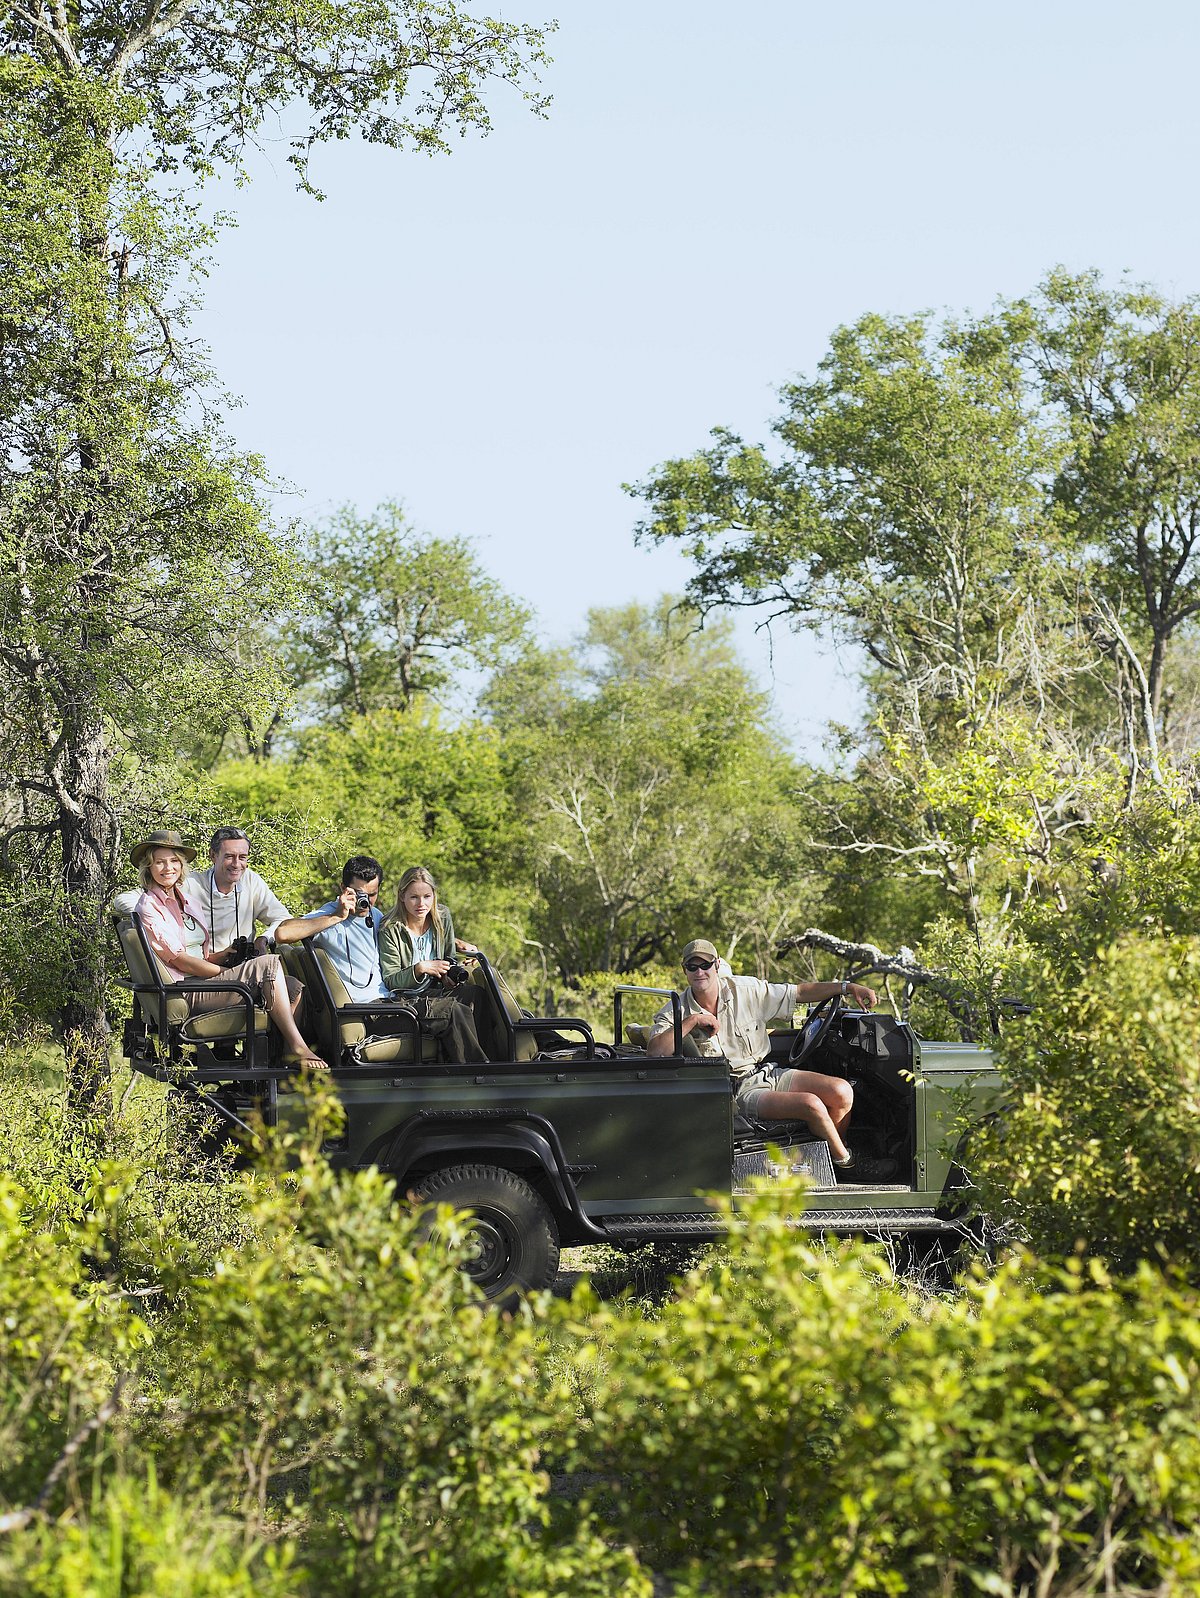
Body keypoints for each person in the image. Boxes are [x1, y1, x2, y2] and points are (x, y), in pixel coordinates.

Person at [647, 938, 892, 1180]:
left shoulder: (745, 990)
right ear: (685, 971)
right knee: (812, 1105)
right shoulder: (676, 1011)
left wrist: (848, 988)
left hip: (765, 1072)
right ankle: (849, 1165)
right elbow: (656, 1051)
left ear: (717, 965)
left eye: (705, 965)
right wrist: (691, 1022)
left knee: (842, 1091)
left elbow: (799, 992)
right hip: (733, 1091)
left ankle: (831, 1161)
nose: (700, 972)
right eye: (692, 967)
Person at [130, 831, 327, 1069]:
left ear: (181, 866)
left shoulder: (184, 899)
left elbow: (196, 953)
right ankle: (299, 1047)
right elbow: (180, 961)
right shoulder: (150, 905)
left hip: (202, 979)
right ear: (148, 866)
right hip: (185, 989)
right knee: (268, 964)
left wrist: (224, 955)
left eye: (173, 861)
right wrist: (222, 971)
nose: (168, 868)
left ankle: (282, 1063)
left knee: (292, 986)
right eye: (160, 862)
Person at [378, 866, 495, 1064]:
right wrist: (419, 968)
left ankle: (496, 1060)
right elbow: (391, 980)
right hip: (407, 997)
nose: (421, 904)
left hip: (437, 990)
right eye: (414, 897)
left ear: (434, 896)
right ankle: (475, 1068)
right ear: (401, 896)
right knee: (453, 1008)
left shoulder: (442, 916)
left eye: (427, 896)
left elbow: (449, 958)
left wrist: (448, 975)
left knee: (477, 994)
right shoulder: (390, 928)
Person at [288, 855, 393, 1003]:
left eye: (372, 894)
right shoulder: (330, 913)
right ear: (344, 888)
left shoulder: (376, 915)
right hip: (364, 1007)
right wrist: (337, 916)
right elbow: (283, 933)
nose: (366, 901)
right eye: (359, 894)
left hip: (388, 1000)